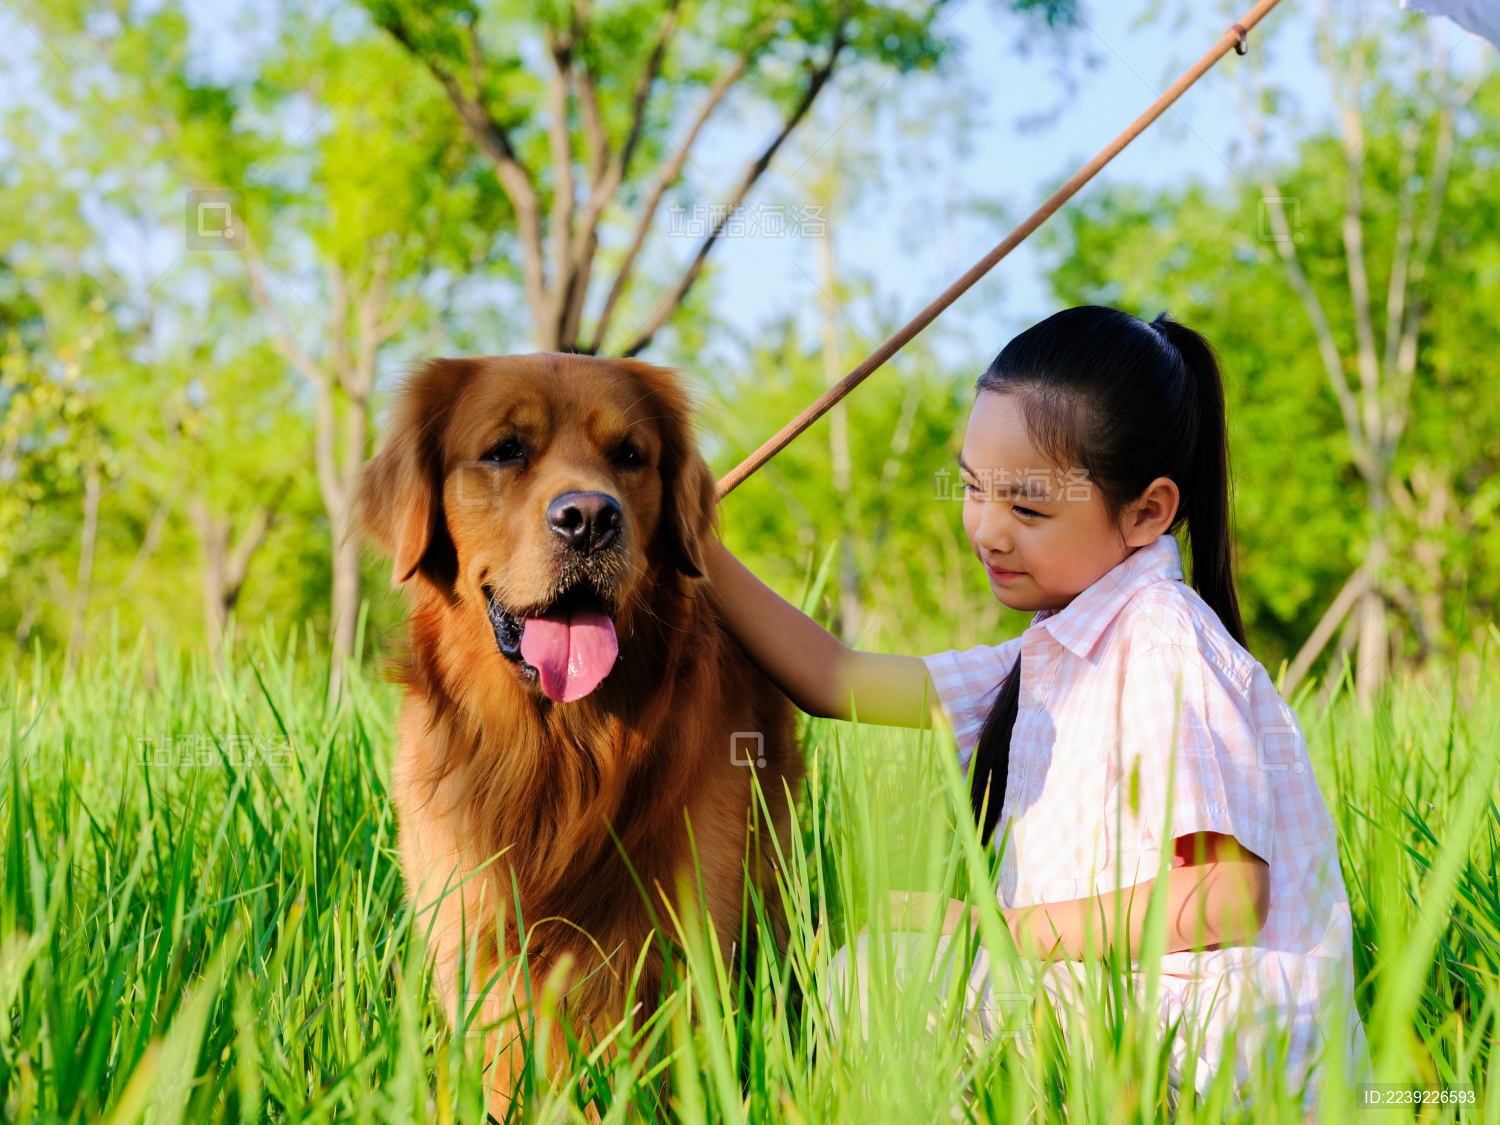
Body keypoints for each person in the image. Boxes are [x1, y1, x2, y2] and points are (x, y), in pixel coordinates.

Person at [704, 305, 1369, 1109]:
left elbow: (1226, 895)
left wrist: (990, 926)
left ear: (1148, 512)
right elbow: (836, 677)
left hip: (1215, 1051)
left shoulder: (1161, 643)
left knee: (878, 981)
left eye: (1026, 507)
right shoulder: (1055, 651)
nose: (986, 530)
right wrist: (693, 537)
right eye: (974, 487)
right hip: (1131, 1025)